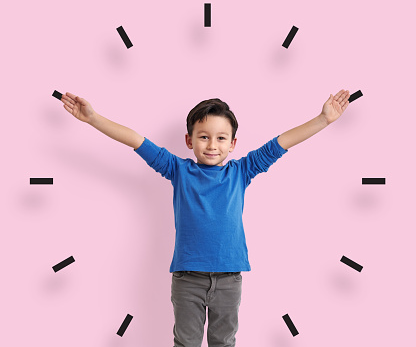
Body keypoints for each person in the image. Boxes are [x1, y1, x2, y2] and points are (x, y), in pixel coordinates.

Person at [61, 90, 350, 347]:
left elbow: (281, 144)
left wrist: (322, 120)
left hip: (229, 279)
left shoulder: (241, 172)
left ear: (233, 143)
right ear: (189, 140)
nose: (212, 145)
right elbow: (137, 141)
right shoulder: (177, 170)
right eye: (203, 136)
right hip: (188, 279)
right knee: (186, 343)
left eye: (221, 138)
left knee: (223, 343)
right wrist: (93, 119)